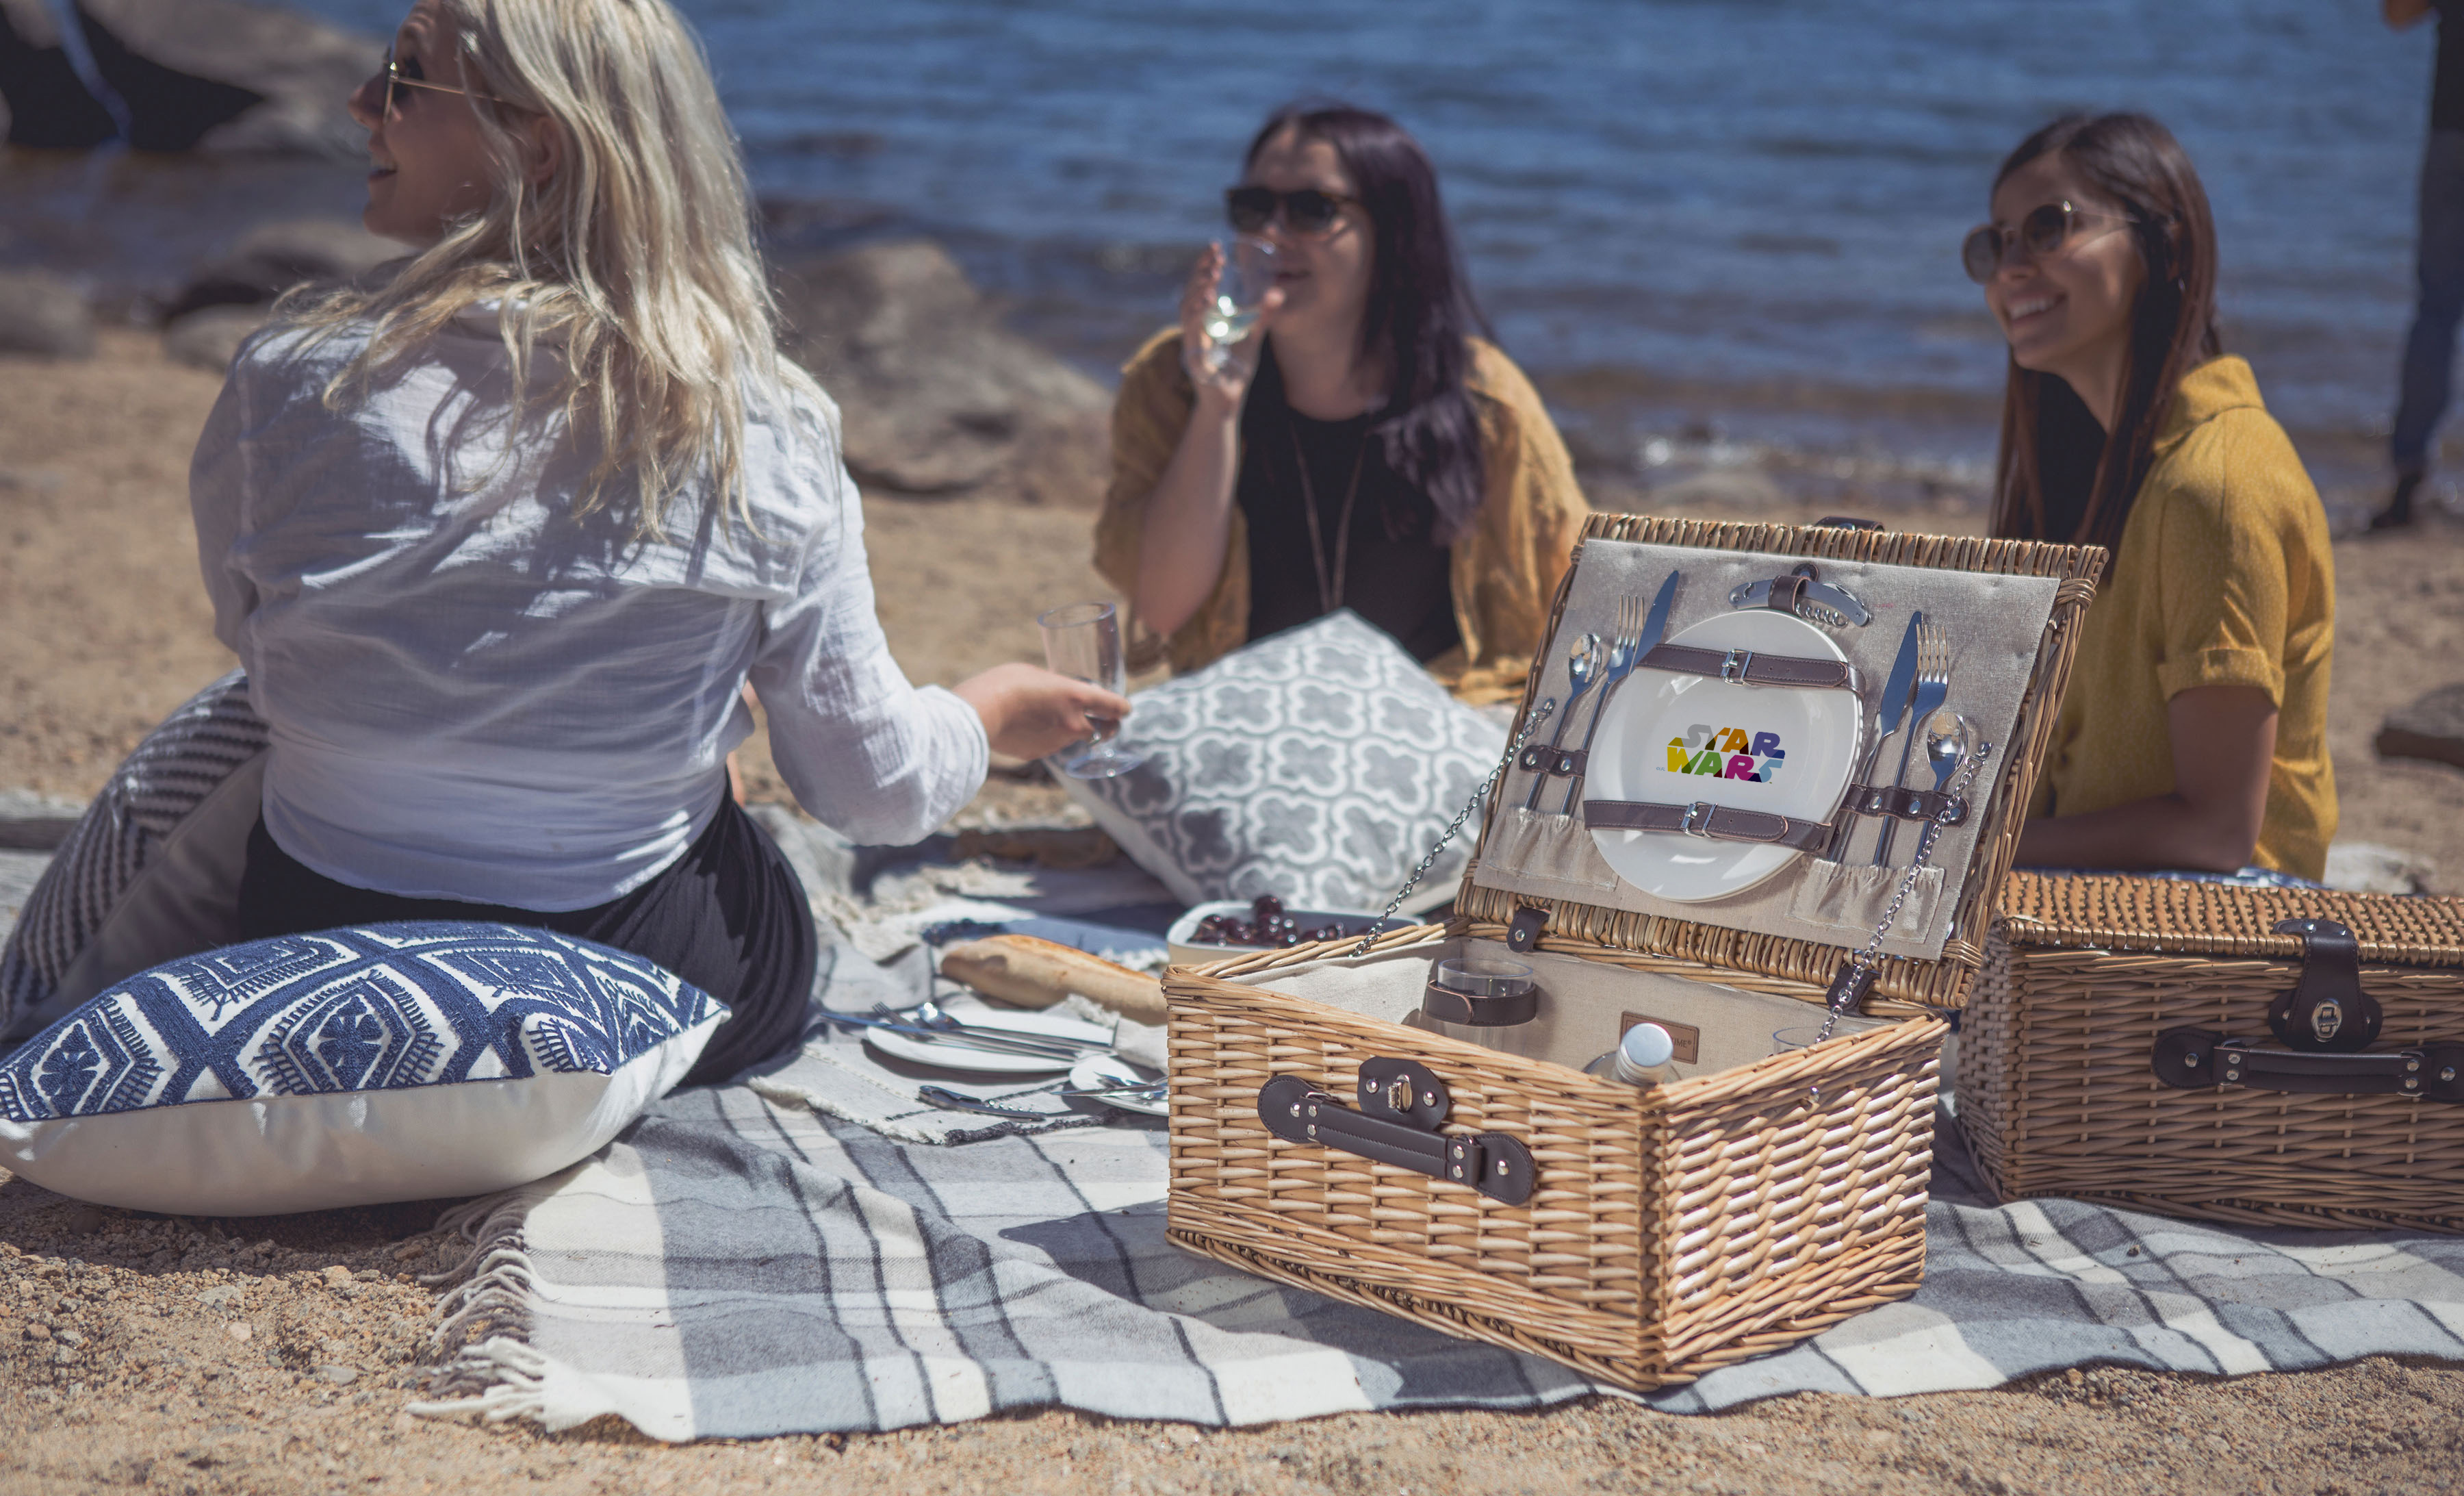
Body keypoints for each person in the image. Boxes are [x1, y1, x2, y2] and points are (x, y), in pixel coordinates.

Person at [191, 0, 1124, 1084]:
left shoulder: (288, 380)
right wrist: (987, 711)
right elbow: (870, 793)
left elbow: (262, 646)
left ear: (535, 138)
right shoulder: (757, 424)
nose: (361, 103)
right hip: (625, 976)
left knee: (669, 736)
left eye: (403, 78)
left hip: (309, 951)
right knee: (712, 785)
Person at [1094, 103, 1587, 705]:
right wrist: (1217, 410)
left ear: (1394, 230)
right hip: (1250, 716)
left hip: (1431, 719)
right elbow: (1163, 607)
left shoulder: (1482, 398)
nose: (1273, 235)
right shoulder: (1173, 381)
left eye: (1311, 209)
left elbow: (1573, 595)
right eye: (1254, 209)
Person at [1970, 112, 2336, 880]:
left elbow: (2218, 834)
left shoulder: (2218, 488)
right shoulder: (2110, 472)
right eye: (1994, 243)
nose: (2010, 268)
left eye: (2048, 228)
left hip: (2214, 942)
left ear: (2161, 242)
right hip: (2103, 911)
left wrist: (1973, 853)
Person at [2374, 0, 2464, 529]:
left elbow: (2398, 13)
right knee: (2434, 307)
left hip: (2451, 132)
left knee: (2435, 307)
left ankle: (2409, 477)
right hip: (2449, 131)